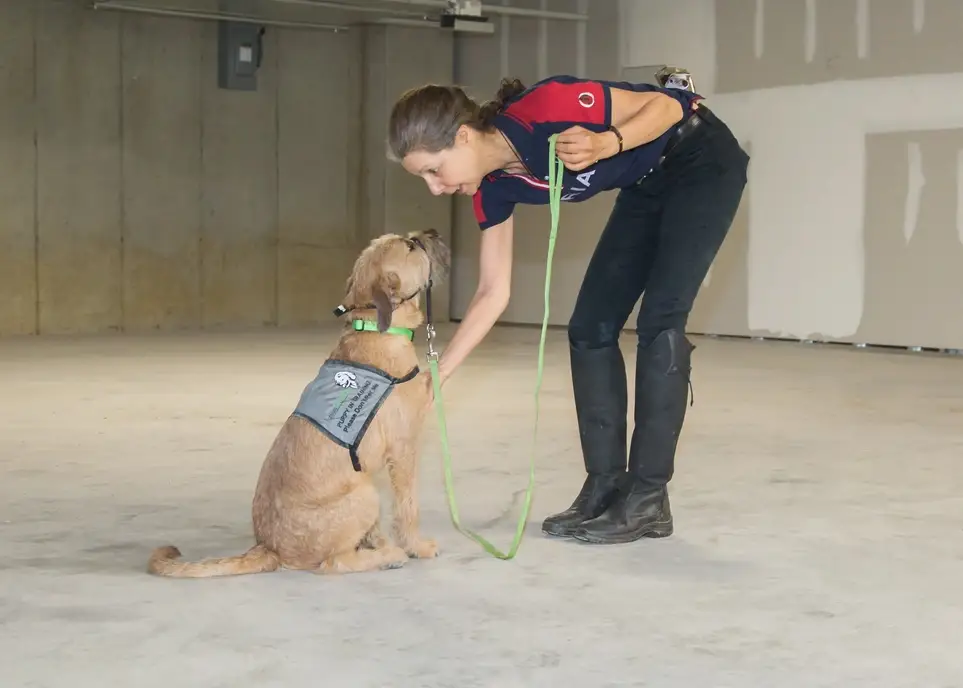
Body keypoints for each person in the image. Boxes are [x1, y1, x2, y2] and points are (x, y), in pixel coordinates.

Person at [386, 72, 749, 545]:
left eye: (435, 170)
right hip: (648, 181)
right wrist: (438, 374)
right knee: (589, 327)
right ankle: (604, 485)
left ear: (463, 136)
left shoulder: (548, 107)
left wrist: (607, 143)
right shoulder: (491, 188)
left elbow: (672, 106)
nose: (435, 188)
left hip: (700, 158)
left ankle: (647, 498)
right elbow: (493, 291)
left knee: (661, 320)